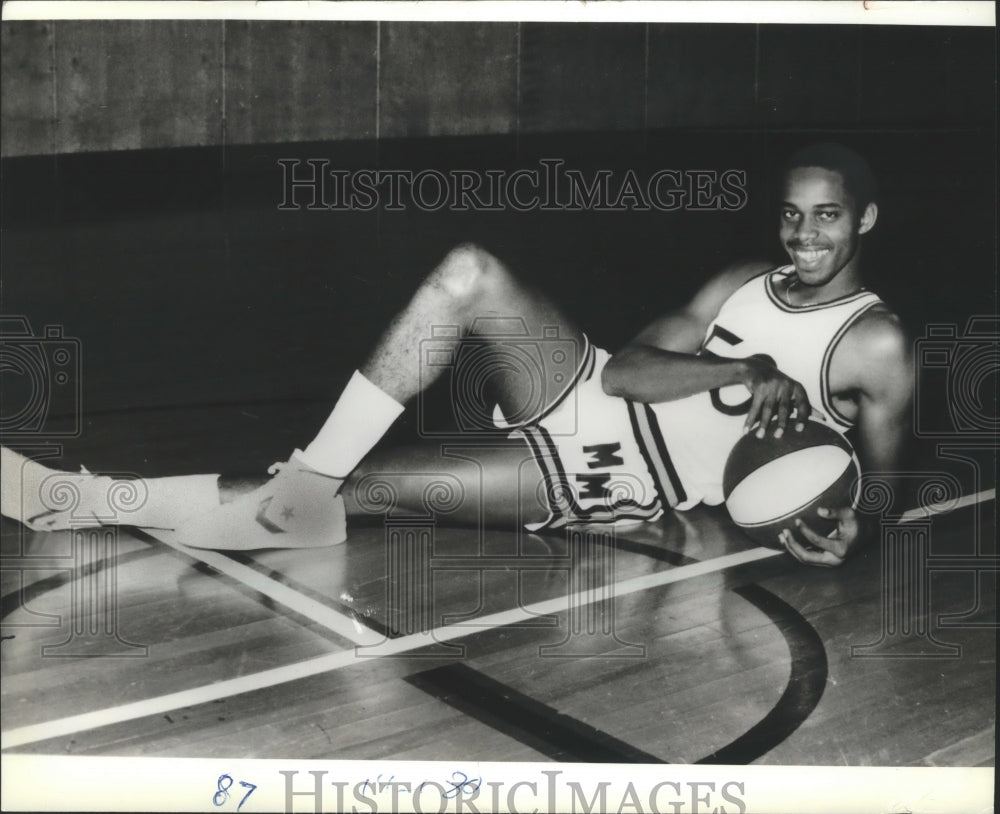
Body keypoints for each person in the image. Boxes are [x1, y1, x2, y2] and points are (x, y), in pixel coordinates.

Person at [1, 143, 913, 567]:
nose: (802, 235)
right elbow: (632, 368)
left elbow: (881, 489)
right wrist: (744, 370)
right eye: (792, 213)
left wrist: (851, 532)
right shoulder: (743, 282)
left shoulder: (875, 345)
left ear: (864, 220)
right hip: (593, 386)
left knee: (360, 493)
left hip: (614, 470)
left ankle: (71, 502)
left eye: (826, 216)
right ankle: (304, 488)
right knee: (469, 272)